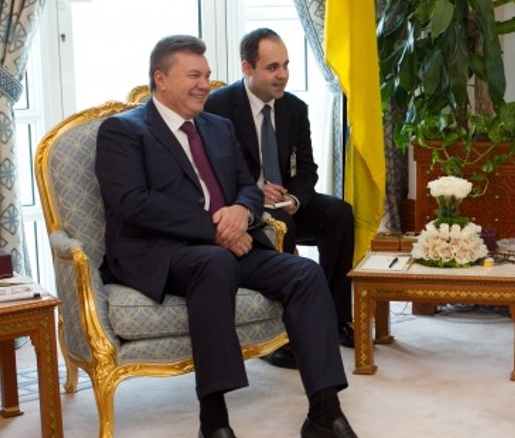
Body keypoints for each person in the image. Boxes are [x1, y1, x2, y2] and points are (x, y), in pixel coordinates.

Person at [95, 35, 358, 438]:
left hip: (231, 242)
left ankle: (325, 411)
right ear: (161, 79)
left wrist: (242, 212)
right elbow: (133, 203)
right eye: (194, 76)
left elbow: (247, 187)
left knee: (304, 273)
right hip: (160, 252)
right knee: (214, 261)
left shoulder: (217, 127)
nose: (205, 84)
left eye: (207, 75)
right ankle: (214, 421)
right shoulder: (124, 131)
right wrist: (216, 229)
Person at [205, 28, 356, 370]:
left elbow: (308, 169)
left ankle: (335, 319)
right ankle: (278, 336)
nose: (283, 75)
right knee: (282, 225)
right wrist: (253, 192)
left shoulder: (294, 108)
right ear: (247, 68)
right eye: (272, 67)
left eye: (286, 65)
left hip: (285, 202)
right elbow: (212, 172)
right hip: (244, 205)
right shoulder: (218, 107)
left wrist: (295, 199)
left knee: (339, 214)